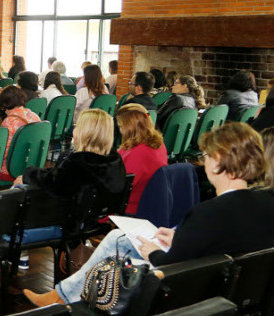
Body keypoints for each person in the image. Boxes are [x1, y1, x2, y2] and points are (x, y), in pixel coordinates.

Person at [25, 122, 274, 306]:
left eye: (207, 155)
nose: (205, 161)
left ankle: (64, 298)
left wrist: (152, 252)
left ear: (219, 162)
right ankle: (62, 295)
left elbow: (171, 266)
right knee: (116, 239)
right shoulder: (265, 202)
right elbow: (224, 241)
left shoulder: (207, 213)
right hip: (236, 290)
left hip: (182, 290)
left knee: (116, 259)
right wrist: (181, 238)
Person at [13, 109, 127, 244]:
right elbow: (61, 178)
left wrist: (29, 174)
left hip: (69, 225)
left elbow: (54, 183)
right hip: (94, 219)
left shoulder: (79, 163)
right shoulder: (115, 161)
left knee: (20, 188)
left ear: (84, 132)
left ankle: (21, 255)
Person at [116, 104, 168, 214]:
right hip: (147, 203)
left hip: (129, 208)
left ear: (129, 128)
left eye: (120, 126)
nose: (120, 131)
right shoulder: (158, 145)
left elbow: (118, 188)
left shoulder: (138, 153)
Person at [0, 85, 40, 178]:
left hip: (11, 170)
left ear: (4, 105)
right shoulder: (35, 116)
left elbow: (3, 154)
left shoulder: (9, 122)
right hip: (32, 166)